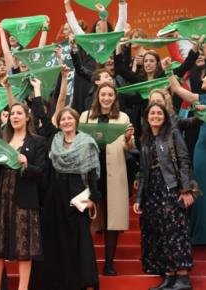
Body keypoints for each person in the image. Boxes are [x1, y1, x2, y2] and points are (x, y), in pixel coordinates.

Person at [30, 73, 100, 290]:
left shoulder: (86, 142)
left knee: (78, 241)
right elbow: (41, 113)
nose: (67, 121)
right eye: (63, 119)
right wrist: (38, 90)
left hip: (77, 195)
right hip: (54, 195)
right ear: (59, 123)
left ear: (76, 121)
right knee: (53, 240)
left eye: (70, 118)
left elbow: (92, 174)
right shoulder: (54, 138)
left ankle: (80, 282)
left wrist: (93, 200)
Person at [0, 100, 47, 290]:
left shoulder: (37, 141)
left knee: (25, 248)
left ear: (27, 117)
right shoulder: (3, 139)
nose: (15, 117)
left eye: (19, 113)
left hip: (24, 199)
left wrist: (26, 164)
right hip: (1, 197)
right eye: (12, 114)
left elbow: (41, 171)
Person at [133, 103, 195, 290]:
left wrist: (186, 189)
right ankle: (169, 276)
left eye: (159, 113)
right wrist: (138, 198)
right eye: (152, 113)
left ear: (165, 117)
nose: (156, 116)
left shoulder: (173, 133)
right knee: (161, 233)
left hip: (171, 188)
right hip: (152, 191)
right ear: (147, 116)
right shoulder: (144, 139)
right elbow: (143, 171)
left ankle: (183, 279)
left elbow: (184, 160)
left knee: (176, 232)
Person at [79, 83, 135, 276]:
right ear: (97, 96)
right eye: (103, 94)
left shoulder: (123, 117)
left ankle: (109, 264)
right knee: (87, 220)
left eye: (110, 94)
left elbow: (129, 147)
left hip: (114, 174)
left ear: (115, 97)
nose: (106, 98)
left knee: (112, 222)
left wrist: (128, 138)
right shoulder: (85, 116)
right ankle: (85, 263)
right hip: (90, 176)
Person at [169, 74, 206, 246]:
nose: (203, 78)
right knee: (202, 190)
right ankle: (200, 235)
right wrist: (169, 71)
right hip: (203, 151)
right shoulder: (202, 98)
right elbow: (176, 89)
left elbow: (177, 88)